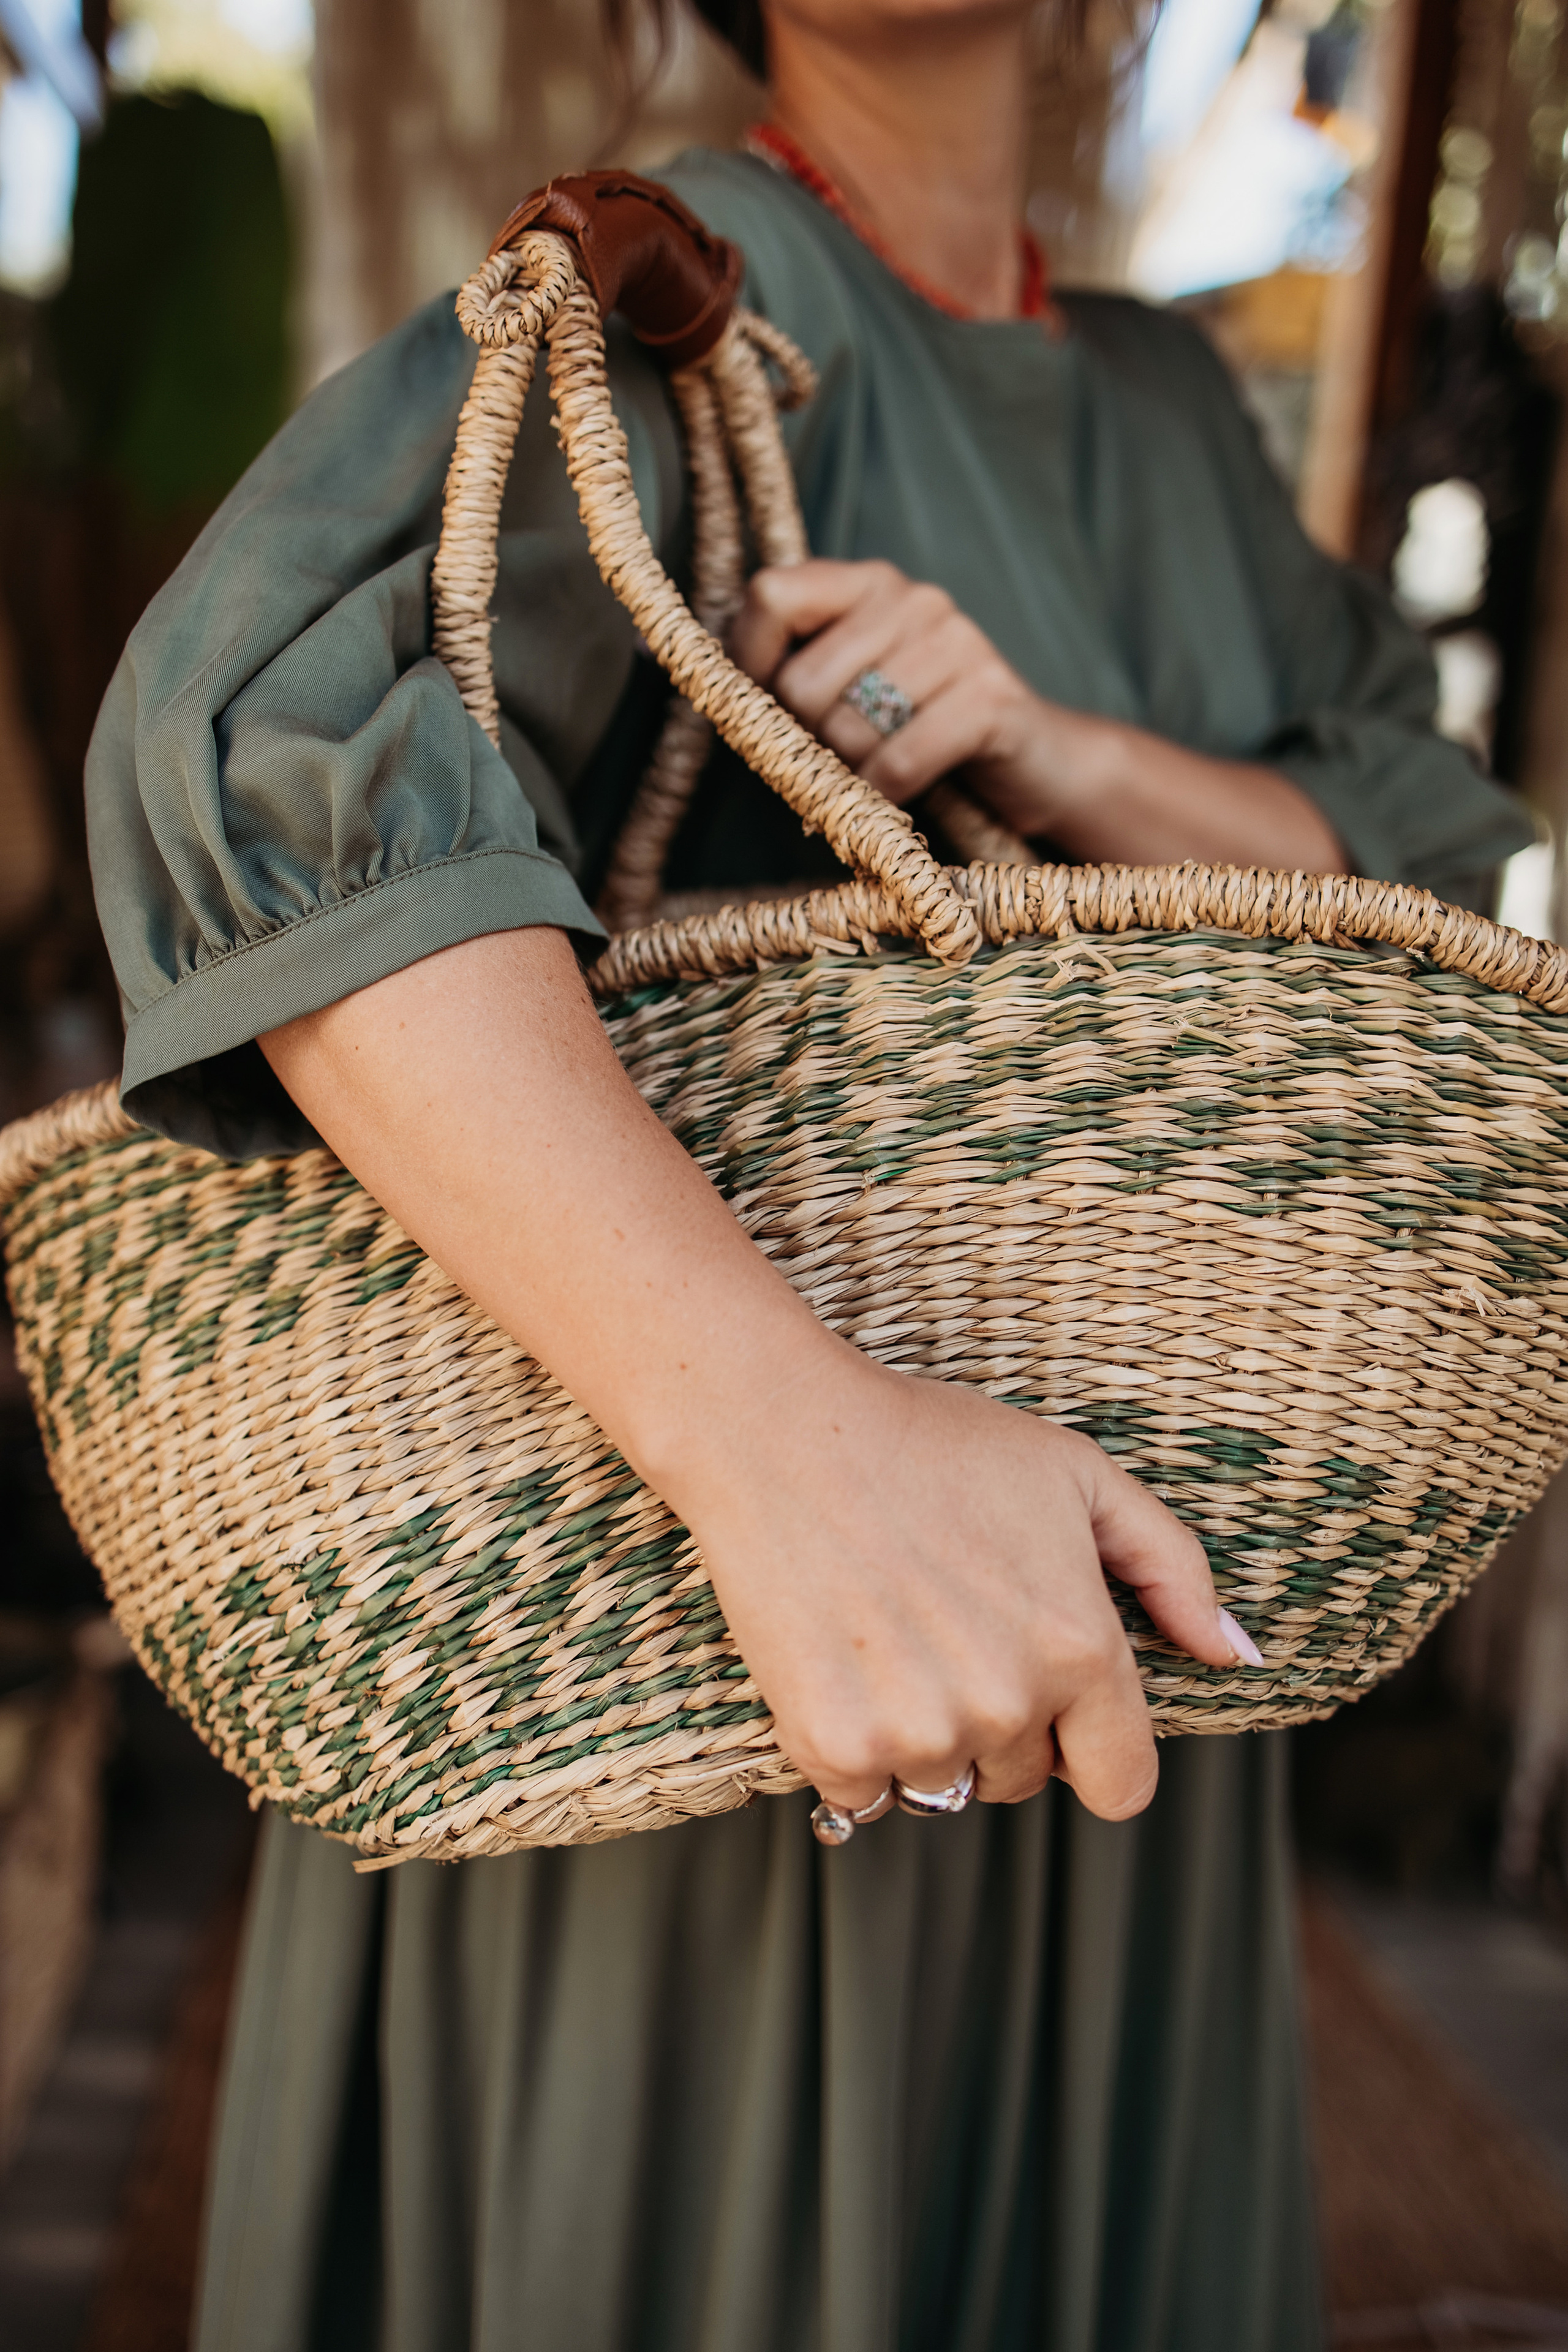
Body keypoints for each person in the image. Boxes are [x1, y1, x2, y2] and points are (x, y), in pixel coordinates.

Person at [86, 2, 1530, 2345]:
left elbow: (1438, 876)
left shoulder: (1166, 398)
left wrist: (1057, 754)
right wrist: (785, 1444)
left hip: (1132, 1683)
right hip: (707, 1689)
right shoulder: (674, 293)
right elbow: (253, 744)